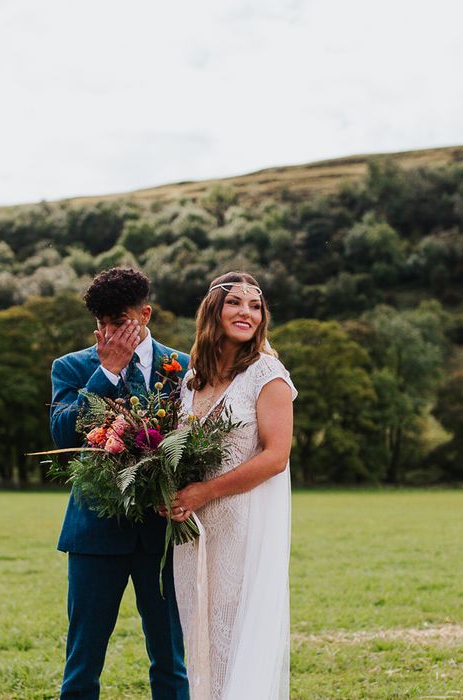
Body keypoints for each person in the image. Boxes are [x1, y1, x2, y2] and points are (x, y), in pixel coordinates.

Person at [50, 267, 191, 700]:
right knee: (83, 662)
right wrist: (107, 371)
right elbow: (62, 434)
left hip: (162, 534)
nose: (110, 333)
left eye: (120, 323)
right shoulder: (72, 366)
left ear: (145, 315)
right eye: (102, 324)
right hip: (94, 534)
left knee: (170, 659)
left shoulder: (182, 367)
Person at [164, 271, 297, 700]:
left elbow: (276, 457)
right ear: (213, 310)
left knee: (232, 638)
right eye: (235, 302)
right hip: (193, 534)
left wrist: (206, 492)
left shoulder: (267, 373)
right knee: (198, 640)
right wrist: (169, 490)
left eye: (255, 305)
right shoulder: (192, 379)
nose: (246, 312)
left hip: (241, 528)